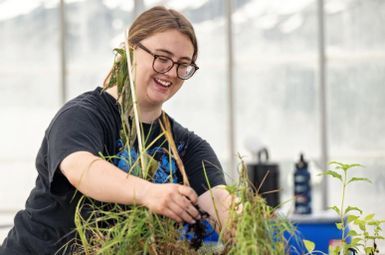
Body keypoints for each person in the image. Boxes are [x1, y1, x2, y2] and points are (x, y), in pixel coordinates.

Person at [0, 6, 232, 255]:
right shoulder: (84, 114)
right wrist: (148, 193)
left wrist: (252, 224)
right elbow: (81, 169)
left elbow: (218, 200)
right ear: (131, 51)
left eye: (183, 65)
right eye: (162, 58)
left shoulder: (186, 146)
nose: (172, 72)